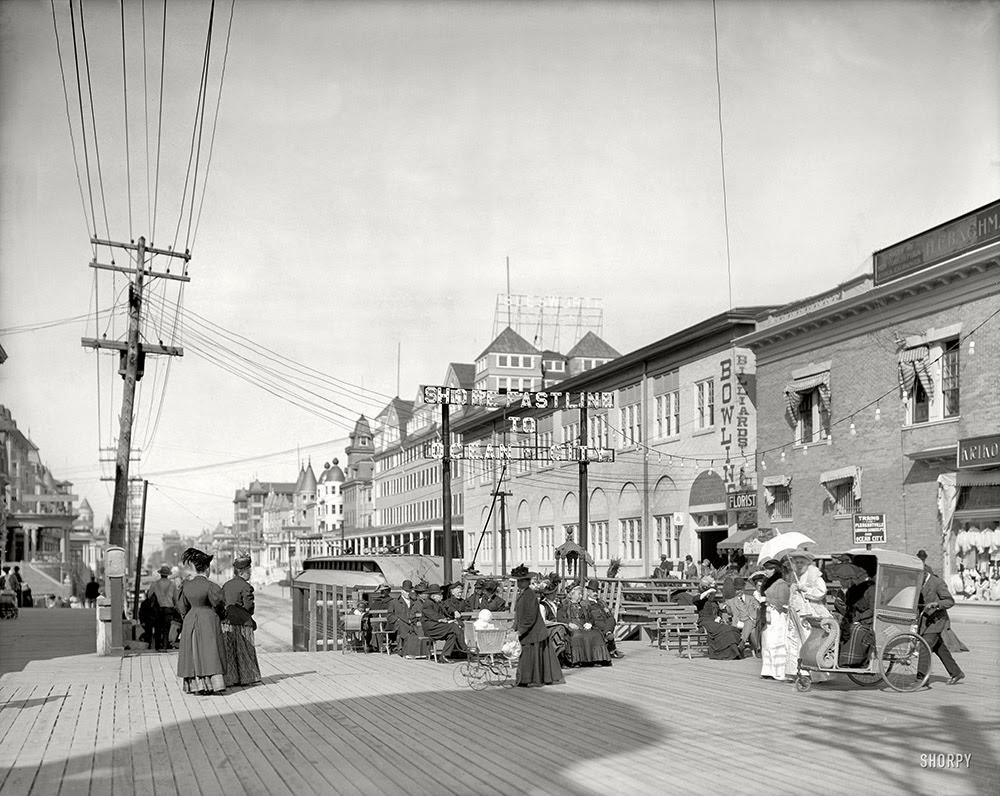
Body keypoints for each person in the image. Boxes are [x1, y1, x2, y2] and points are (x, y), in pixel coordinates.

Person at [176, 548, 227, 695]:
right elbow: (218, 604)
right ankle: (212, 685)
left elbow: (182, 607)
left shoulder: (185, 586)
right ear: (206, 568)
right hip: (208, 619)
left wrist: (187, 619)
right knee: (209, 652)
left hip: (191, 619)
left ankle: (195, 685)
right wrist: (221, 616)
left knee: (193, 652)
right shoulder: (211, 586)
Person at [512, 565, 564, 687]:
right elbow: (519, 614)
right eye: (518, 581)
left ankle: (529, 679)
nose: (519, 583)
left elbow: (530, 616)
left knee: (530, 656)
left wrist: (521, 630)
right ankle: (525, 679)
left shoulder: (529, 595)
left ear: (527, 582)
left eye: (522, 581)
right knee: (526, 656)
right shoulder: (523, 593)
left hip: (533, 631)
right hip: (529, 631)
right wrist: (514, 626)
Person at [785, 551, 831, 683]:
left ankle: (812, 673)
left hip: (809, 613)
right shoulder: (794, 576)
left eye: (801, 562)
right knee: (793, 640)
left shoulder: (814, 575)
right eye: (796, 562)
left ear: (807, 564)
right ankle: (794, 671)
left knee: (808, 641)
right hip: (795, 613)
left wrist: (805, 589)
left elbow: (821, 592)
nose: (799, 565)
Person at [918, 566, 965, 685]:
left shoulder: (937, 583)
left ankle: (921, 677)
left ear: (924, 573)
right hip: (925, 622)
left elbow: (950, 601)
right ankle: (956, 672)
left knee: (925, 645)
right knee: (940, 649)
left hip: (937, 621)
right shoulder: (918, 582)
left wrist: (936, 604)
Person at [221, 555, 262, 687]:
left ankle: (230, 679)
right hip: (243, 624)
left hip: (227, 623)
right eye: (249, 571)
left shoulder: (226, 585)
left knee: (229, 652)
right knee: (245, 651)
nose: (250, 573)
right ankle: (248, 677)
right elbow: (249, 607)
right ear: (242, 571)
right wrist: (247, 614)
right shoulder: (246, 587)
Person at [832, 561, 875, 667]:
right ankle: (836, 658)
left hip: (868, 620)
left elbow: (872, 609)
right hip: (854, 618)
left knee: (854, 630)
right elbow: (850, 608)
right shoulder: (854, 589)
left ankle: (851, 660)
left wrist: (857, 619)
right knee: (837, 626)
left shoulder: (872, 589)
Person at [556, 585, 612, 666]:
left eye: (581, 594)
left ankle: (597, 659)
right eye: (579, 594)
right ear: (572, 594)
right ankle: (576, 660)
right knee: (578, 636)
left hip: (583, 626)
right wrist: (569, 623)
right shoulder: (564, 605)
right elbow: (560, 618)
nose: (581, 596)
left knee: (596, 634)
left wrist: (589, 623)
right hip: (572, 627)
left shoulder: (584, 605)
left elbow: (591, 617)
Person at [693, 577, 743, 660]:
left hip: (715, 622)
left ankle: (734, 652)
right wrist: (709, 591)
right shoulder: (700, 600)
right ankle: (726, 653)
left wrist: (719, 617)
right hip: (705, 622)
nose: (713, 594)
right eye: (712, 592)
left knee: (731, 629)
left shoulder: (715, 601)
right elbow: (696, 599)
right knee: (724, 629)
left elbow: (720, 612)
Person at [754, 565, 790, 680]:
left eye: (769, 569)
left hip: (778, 617)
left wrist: (766, 600)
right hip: (767, 615)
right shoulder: (767, 582)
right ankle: (767, 670)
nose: (766, 571)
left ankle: (779, 671)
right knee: (767, 642)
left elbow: (784, 602)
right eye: (765, 569)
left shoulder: (782, 584)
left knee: (776, 642)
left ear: (775, 570)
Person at [418, 584, 467, 662]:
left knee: (452, 635)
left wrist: (454, 611)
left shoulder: (438, 602)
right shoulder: (427, 603)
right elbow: (432, 615)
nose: (441, 596)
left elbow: (447, 606)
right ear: (433, 596)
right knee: (453, 626)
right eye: (439, 594)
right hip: (431, 628)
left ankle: (444, 656)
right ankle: (464, 648)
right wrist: (443, 620)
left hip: (438, 627)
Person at [585, 578, 624, 659]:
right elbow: (587, 618)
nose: (595, 593)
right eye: (593, 591)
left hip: (605, 624)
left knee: (611, 619)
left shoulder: (601, 602)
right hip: (595, 625)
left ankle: (607, 634)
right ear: (588, 592)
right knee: (605, 624)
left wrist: (607, 627)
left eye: (596, 591)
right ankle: (611, 646)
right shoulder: (585, 604)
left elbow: (609, 615)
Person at [387, 580, 423, 658]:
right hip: (400, 624)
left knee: (417, 630)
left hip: (413, 623)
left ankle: (413, 651)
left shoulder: (415, 602)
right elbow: (389, 616)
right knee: (403, 627)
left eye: (409, 591)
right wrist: (397, 620)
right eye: (406, 591)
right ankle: (402, 649)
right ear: (401, 591)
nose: (407, 593)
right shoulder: (394, 602)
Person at [725, 577, 760, 655]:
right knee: (751, 627)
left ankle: (742, 643)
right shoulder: (730, 601)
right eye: (737, 589)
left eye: (740, 589)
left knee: (752, 627)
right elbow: (729, 613)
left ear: (744, 588)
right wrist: (726, 608)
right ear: (734, 589)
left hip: (751, 620)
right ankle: (757, 650)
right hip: (738, 622)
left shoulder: (751, 598)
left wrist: (752, 616)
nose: (739, 591)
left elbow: (758, 608)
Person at [148, 565, 178, 651]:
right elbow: (175, 598)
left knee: (157, 627)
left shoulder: (155, 584)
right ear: (168, 574)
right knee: (166, 628)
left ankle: (157, 646)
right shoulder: (172, 584)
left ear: (160, 574)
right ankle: (165, 646)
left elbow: (149, 596)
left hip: (158, 609)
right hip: (169, 609)